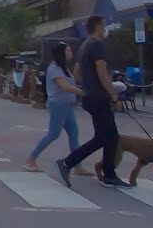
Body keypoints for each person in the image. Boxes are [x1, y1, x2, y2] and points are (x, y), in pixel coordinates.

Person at [56, 16, 130, 188]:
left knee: (105, 137)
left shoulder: (84, 45)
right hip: (99, 97)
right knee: (110, 136)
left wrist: (89, 84)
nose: (105, 29)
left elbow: (77, 72)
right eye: (103, 25)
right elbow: (102, 71)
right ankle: (71, 163)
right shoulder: (97, 45)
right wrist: (114, 95)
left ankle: (102, 171)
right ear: (98, 26)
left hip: (89, 96)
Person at [23, 43, 91, 175]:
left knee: (74, 135)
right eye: (68, 51)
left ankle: (77, 166)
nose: (71, 53)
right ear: (62, 53)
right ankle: (31, 159)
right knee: (53, 134)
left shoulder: (64, 68)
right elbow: (64, 86)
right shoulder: (54, 68)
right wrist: (83, 92)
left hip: (67, 105)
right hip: (58, 105)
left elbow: (71, 84)